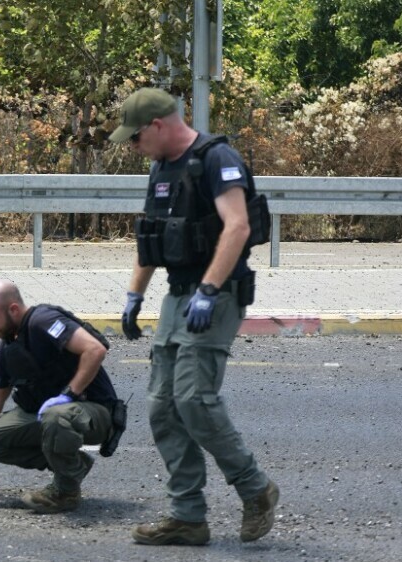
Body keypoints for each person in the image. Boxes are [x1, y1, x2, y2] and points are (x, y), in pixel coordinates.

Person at [110, 87, 279, 545]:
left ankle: (255, 488)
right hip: (176, 297)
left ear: (158, 126)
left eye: (135, 137)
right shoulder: (160, 167)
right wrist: (133, 296)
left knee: (194, 400)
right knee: (162, 407)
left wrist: (208, 289)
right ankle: (187, 516)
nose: (132, 146)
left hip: (216, 296)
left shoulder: (217, 157)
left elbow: (238, 225)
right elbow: (151, 237)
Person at [0, 280, 119, 513]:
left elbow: (95, 349)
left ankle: (65, 492)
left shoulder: (44, 321)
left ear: (13, 309)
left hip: (93, 412)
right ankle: (73, 466)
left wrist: (69, 394)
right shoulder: (9, 345)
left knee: (56, 415)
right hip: (52, 415)